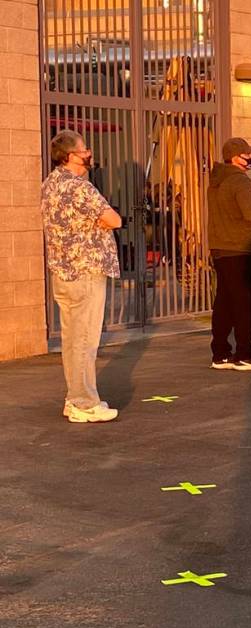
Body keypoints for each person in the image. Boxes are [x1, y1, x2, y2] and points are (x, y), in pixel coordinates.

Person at [41, 129, 122, 423]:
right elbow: (114, 219)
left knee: (73, 339)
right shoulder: (80, 187)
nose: (89, 153)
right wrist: (99, 224)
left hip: (63, 272)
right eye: (85, 149)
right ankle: (84, 402)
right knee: (85, 340)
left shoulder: (50, 184)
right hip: (86, 270)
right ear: (71, 155)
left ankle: (74, 397)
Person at [208, 137, 251, 371]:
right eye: (247, 155)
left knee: (224, 301)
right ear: (236, 158)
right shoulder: (241, 182)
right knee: (248, 302)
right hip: (241, 248)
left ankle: (221, 352)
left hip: (219, 248)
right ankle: (244, 353)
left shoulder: (215, 182)